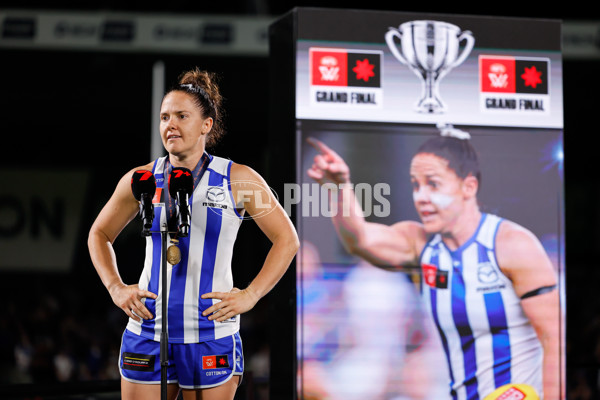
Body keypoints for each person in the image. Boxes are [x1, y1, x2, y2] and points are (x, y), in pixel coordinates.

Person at [88, 67, 299, 400]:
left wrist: (251, 295)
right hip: (147, 331)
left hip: (210, 333)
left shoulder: (238, 178)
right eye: (164, 117)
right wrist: (115, 287)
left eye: (181, 116)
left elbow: (287, 240)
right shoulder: (141, 178)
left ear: (206, 125)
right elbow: (99, 234)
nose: (170, 124)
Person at [306, 130, 563, 400]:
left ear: (469, 187)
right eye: (416, 185)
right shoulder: (420, 243)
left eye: (433, 184)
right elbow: (359, 239)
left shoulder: (514, 245)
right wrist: (338, 186)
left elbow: (553, 339)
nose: (421, 196)